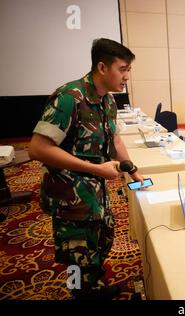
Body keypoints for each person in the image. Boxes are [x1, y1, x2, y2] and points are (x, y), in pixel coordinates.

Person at [29, 38, 144, 300]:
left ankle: (95, 289)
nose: (127, 76)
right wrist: (95, 170)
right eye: (123, 69)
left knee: (99, 246)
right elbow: (37, 148)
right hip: (70, 199)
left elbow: (114, 139)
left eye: (129, 70)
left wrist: (133, 170)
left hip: (96, 196)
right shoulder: (69, 97)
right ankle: (80, 295)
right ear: (102, 67)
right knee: (76, 257)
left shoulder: (107, 101)